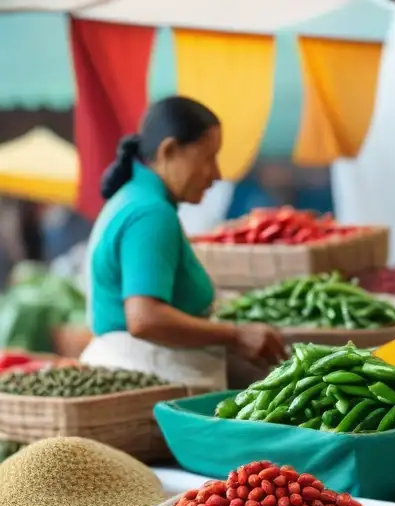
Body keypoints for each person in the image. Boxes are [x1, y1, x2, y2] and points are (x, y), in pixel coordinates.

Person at [81, 96, 285, 391]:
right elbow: (144, 318)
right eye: (208, 158)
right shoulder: (150, 213)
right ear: (169, 150)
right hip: (148, 386)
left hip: (141, 377)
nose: (215, 175)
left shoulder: (134, 198)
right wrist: (236, 335)